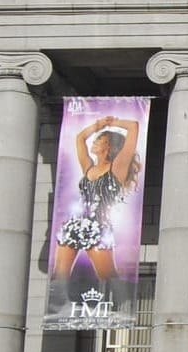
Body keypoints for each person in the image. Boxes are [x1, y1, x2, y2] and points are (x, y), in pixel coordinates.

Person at [52, 114, 141, 310]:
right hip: (75, 224)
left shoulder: (117, 168)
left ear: (108, 146)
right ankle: (58, 309)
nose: (94, 141)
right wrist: (98, 125)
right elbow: (80, 138)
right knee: (59, 275)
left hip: (98, 228)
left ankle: (121, 308)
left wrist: (113, 123)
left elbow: (134, 126)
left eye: (99, 139)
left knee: (108, 276)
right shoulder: (88, 168)